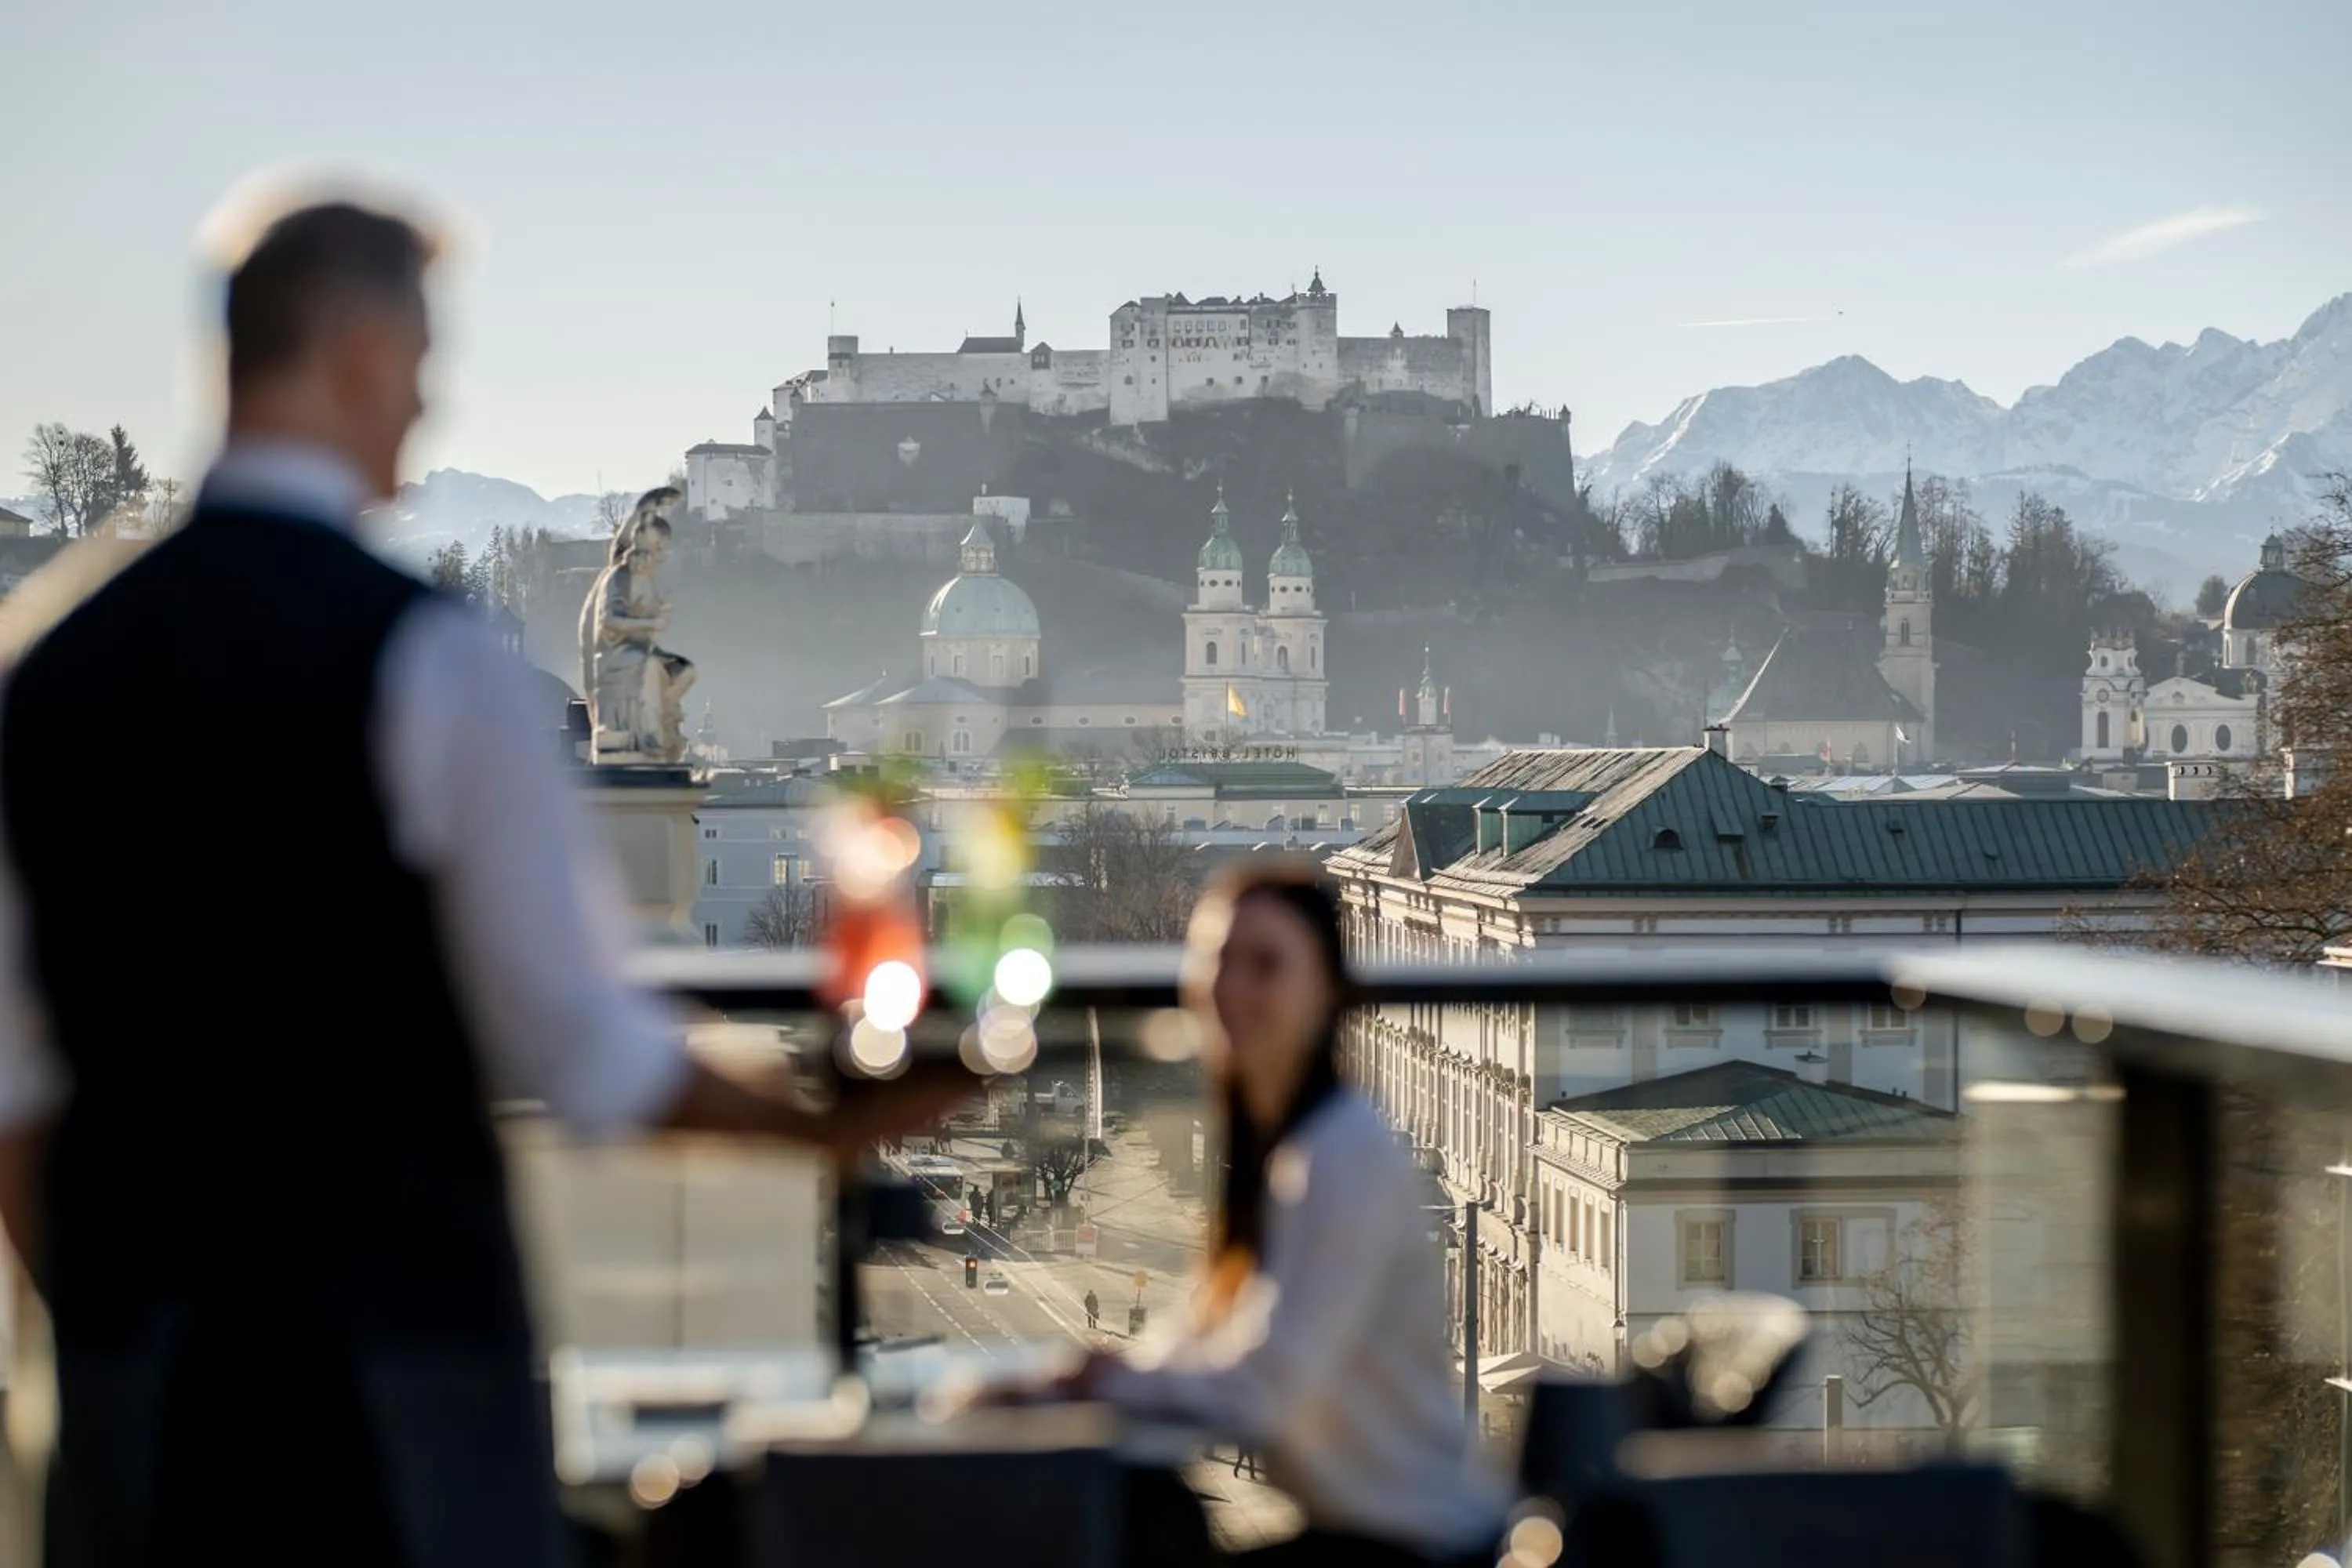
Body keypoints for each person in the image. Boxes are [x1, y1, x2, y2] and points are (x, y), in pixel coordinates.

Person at [0, 194, 964, 1568]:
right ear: (351, 353)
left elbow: (15, 1098)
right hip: (399, 1383)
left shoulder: (46, 668)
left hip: (129, 1402)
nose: (429, 400)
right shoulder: (429, 663)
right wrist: (827, 1125)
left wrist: (111, 1331)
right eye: (419, 358)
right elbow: (584, 1045)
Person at [1052, 862, 1506, 1567]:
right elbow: (1213, 1336)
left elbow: (1266, 1386)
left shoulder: (1339, 1152)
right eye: (1218, 961)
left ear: (1324, 992)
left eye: (1265, 965)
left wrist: (1106, 1384)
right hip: (1374, 1535)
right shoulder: (1291, 1141)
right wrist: (1105, 1373)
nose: (1232, 988)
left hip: (1415, 1544)